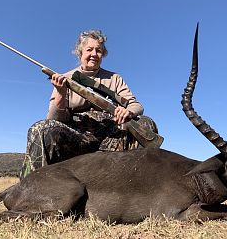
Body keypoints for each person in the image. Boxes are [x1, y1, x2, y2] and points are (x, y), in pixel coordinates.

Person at [20, 30, 159, 179]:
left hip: (111, 138)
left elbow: (136, 105)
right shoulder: (65, 78)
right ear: (80, 53)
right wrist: (60, 93)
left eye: (98, 50)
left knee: (145, 123)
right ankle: (32, 191)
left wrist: (128, 112)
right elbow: (54, 119)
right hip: (79, 138)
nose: (94, 54)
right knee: (40, 129)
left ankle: (139, 187)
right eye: (89, 49)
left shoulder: (115, 78)